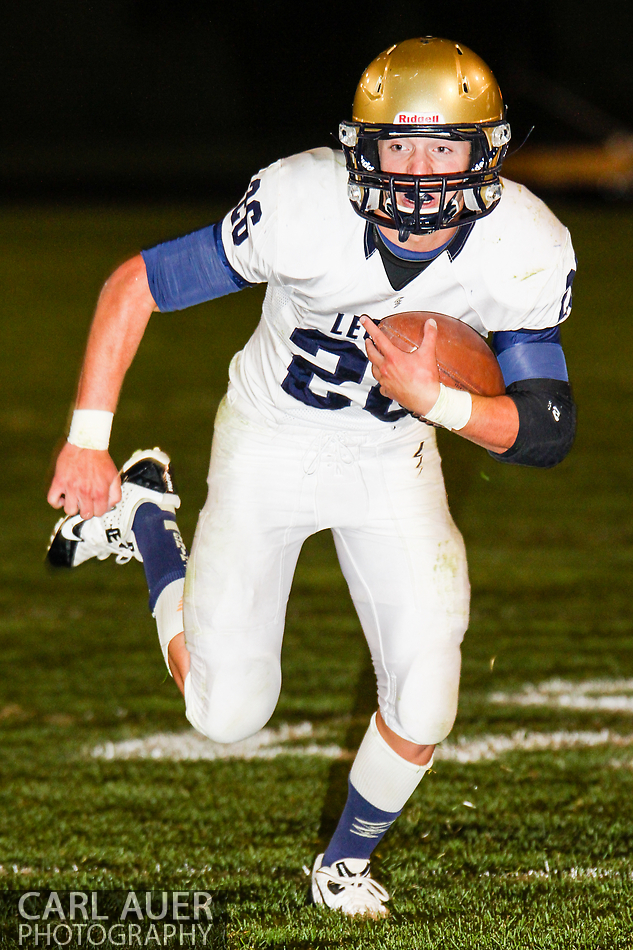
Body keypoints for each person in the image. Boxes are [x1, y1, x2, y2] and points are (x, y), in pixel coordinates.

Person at [47, 37, 576, 918]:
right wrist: (85, 439)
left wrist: (436, 402)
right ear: (357, 149)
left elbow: (546, 429)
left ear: (484, 154)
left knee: (426, 694)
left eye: (442, 149)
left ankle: (342, 864)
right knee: (225, 713)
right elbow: (136, 284)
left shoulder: (521, 243)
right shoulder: (302, 203)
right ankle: (147, 521)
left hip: (390, 459)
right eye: (398, 148)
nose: (418, 175)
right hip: (270, 446)